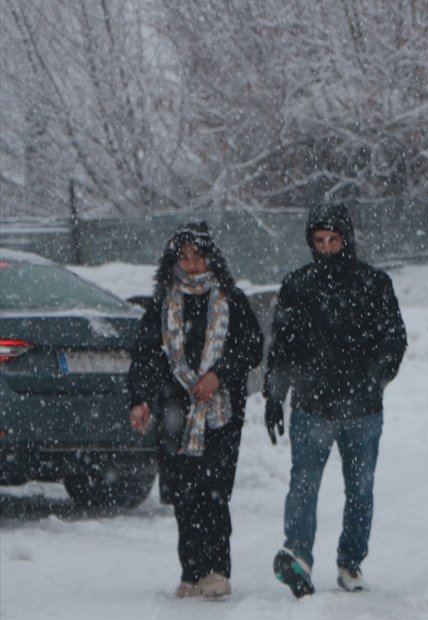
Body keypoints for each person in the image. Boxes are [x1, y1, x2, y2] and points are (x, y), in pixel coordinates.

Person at [263, 203, 407, 597]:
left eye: (333, 240)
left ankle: (350, 562)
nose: (327, 248)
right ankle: (298, 556)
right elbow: (282, 349)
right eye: (319, 241)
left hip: (362, 410)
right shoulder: (297, 285)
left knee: (360, 489)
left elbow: (394, 341)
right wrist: (275, 397)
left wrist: (373, 380)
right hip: (311, 407)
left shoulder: (374, 284)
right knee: (304, 485)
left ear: (347, 240)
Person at [127, 222, 263, 599]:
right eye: (183, 257)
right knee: (184, 494)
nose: (190, 264)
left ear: (211, 258)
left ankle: (217, 570)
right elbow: (146, 356)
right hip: (174, 410)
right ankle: (191, 570)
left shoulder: (231, 300)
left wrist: (218, 375)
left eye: (197, 256)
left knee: (214, 492)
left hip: (220, 412)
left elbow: (251, 347)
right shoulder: (163, 303)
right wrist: (139, 398)